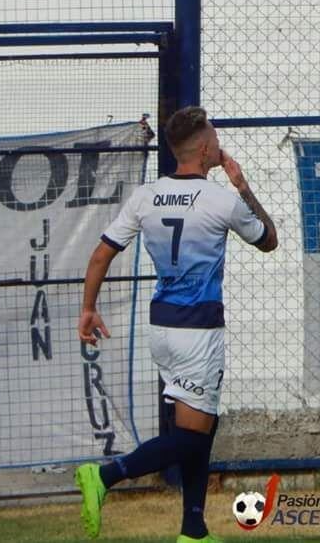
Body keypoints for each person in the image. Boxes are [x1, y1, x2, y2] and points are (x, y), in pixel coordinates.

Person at [75, 106, 277, 542]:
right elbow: (268, 240)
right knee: (191, 437)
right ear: (205, 149)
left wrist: (88, 308)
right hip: (198, 331)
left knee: (202, 426)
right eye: (216, 140)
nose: (219, 145)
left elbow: (101, 254)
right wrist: (242, 186)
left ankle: (194, 530)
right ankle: (105, 475)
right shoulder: (222, 200)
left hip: (162, 328)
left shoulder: (147, 196)